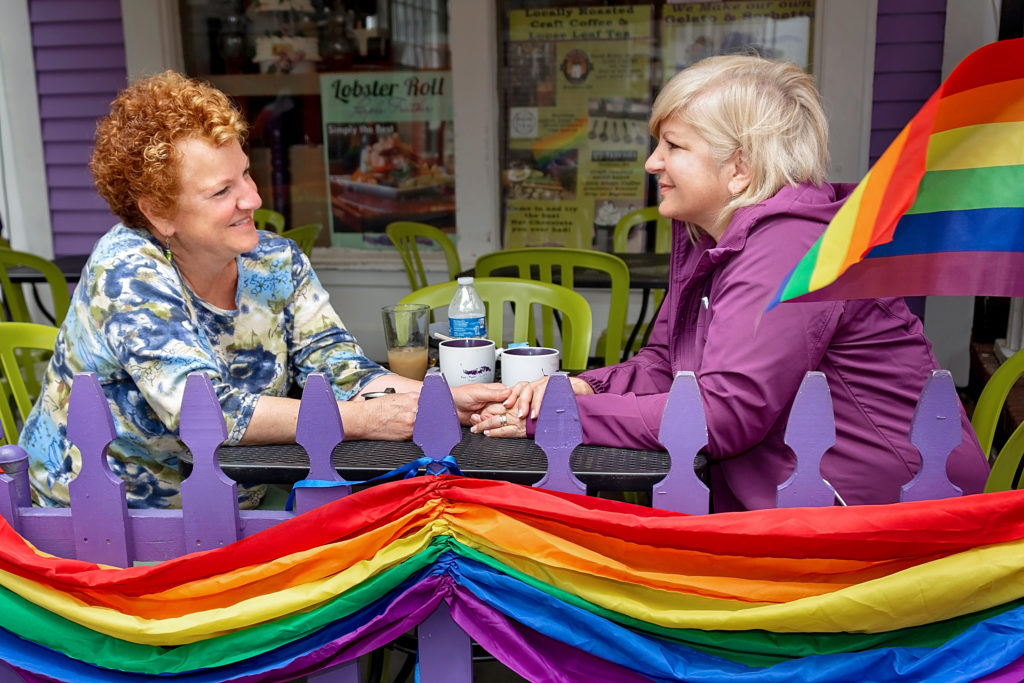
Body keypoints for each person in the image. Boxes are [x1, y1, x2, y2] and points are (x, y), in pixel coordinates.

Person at [470, 55, 991, 511]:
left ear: (740, 168)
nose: (652, 162)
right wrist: (583, 386)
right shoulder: (714, 237)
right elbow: (662, 365)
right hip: (803, 502)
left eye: (673, 145)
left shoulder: (790, 246)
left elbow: (722, 415)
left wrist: (561, 414)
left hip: (880, 515)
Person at [19, 71, 509, 509]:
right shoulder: (126, 274)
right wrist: (367, 419)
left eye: (246, 174)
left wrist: (438, 398)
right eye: (221, 191)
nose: (252, 198)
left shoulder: (273, 259)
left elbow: (339, 368)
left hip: (232, 502)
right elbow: (208, 412)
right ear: (158, 212)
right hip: (97, 523)